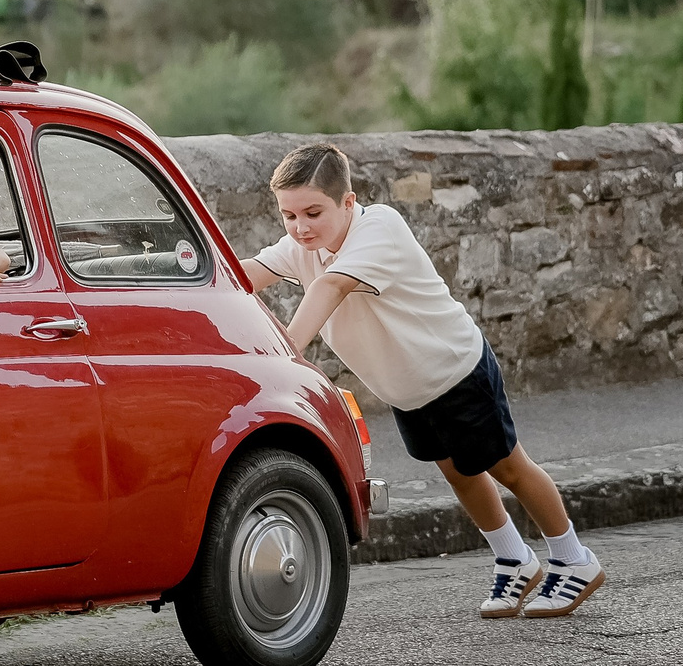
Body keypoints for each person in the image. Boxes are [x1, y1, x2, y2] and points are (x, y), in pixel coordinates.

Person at [237, 143, 605, 619]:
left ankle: (576, 559)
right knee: (458, 472)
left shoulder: (379, 227)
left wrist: (283, 357)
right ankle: (515, 559)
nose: (300, 227)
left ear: (347, 202)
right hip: (409, 389)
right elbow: (246, 275)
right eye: (288, 216)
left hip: (455, 370)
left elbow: (331, 287)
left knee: (508, 467)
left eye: (313, 212)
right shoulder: (303, 246)